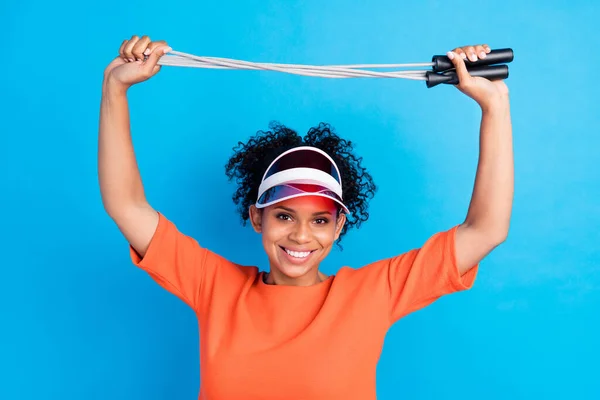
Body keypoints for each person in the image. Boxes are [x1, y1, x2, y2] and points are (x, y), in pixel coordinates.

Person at [99, 35, 513, 400]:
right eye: (283, 215)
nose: (300, 235)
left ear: (339, 226)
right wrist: (114, 88)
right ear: (256, 218)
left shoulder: (372, 294)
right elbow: (127, 206)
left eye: (319, 220)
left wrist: (494, 106)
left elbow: (485, 230)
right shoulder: (216, 287)